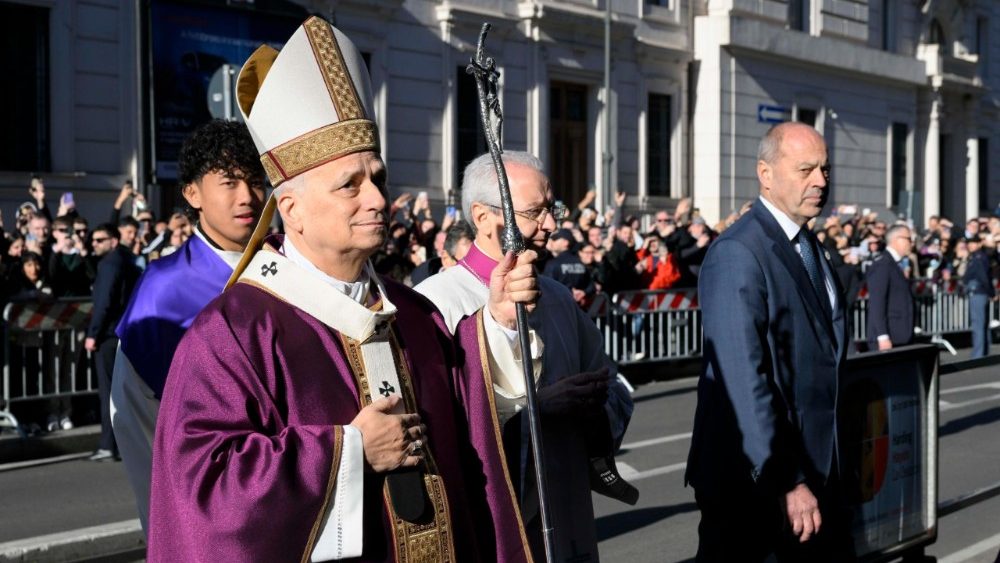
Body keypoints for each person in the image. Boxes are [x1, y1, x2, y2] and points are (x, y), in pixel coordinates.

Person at [147, 18, 536, 562]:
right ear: (292, 209)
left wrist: (493, 326)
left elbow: (467, 421)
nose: (377, 199)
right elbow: (204, 492)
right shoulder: (233, 332)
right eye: (350, 185)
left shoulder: (416, 314)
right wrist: (349, 451)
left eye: (377, 177)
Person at [416, 151, 633, 563]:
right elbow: (438, 431)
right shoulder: (437, 303)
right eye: (536, 212)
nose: (551, 224)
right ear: (482, 218)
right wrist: (535, 411)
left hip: (566, 504)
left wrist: (592, 405)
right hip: (494, 521)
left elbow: (614, 390)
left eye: (552, 209)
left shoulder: (558, 297)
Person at [686, 122, 852, 562]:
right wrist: (786, 479)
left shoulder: (810, 246)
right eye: (805, 170)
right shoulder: (740, 252)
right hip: (758, 485)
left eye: (824, 169)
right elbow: (745, 379)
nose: (821, 181)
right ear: (766, 173)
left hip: (816, 471)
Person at [110, 119, 266, 532]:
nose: (248, 196)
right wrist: (168, 522)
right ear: (192, 193)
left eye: (255, 180)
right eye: (230, 182)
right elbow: (135, 415)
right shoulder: (164, 288)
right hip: (208, 509)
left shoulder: (289, 267)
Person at [85, 224, 140, 461]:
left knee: (108, 392)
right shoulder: (128, 260)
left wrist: (92, 333)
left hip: (108, 335)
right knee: (122, 392)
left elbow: (104, 303)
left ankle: (109, 445)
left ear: (113, 241)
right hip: (125, 331)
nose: (94, 244)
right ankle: (121, 444)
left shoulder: (110, 264)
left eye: (99, 240)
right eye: (93, 241)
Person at [865, 224, 915, 351]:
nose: (912, 243)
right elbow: (877, 302)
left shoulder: (893, 264)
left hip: (899, 335)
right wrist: (883, 336)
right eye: (908, 239)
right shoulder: (883, 264)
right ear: (896, 240)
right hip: (888, 338)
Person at [542, 227, 595, 304]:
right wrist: (583, 293)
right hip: (579, 309)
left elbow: (546, 288)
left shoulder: (553, 264)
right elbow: (591, 286)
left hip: (559, 307)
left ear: (565, 243)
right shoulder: (581, 262)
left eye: (555, 239)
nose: (552, 242)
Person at [964, 235, 996, 358]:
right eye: (969, 243)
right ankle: (984, 351)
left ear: (979, 244)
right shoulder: (977, 257)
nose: (970, 245)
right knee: (982, 323)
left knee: (978, 324)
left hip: (978, 292)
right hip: (981, 292)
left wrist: (990, 292)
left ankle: (978, 354)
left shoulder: (978, 258)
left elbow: (983, 277)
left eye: (973, 243)